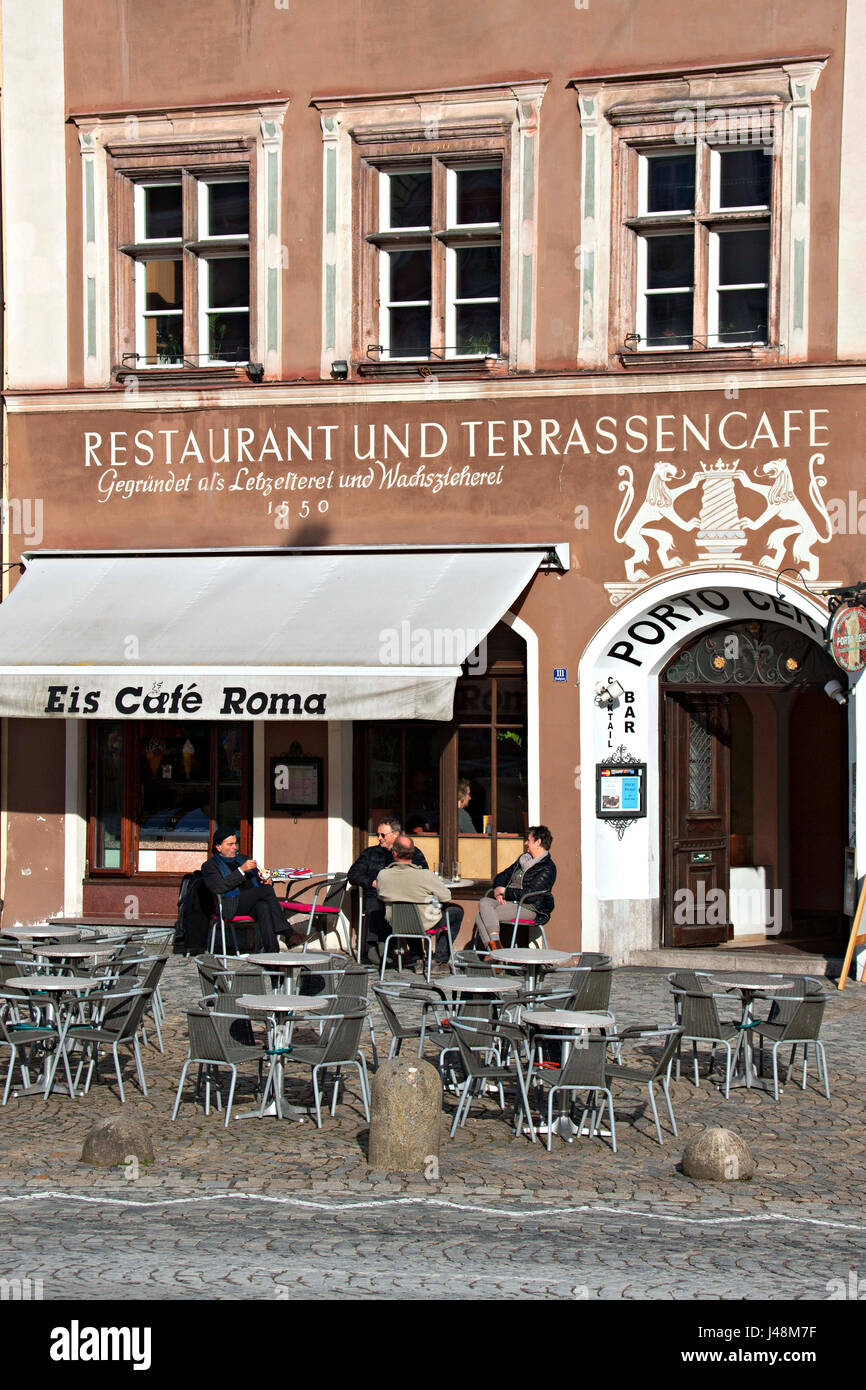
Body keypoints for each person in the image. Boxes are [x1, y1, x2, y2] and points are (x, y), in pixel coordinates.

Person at [201, 826, 299, 953]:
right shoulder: (210, 866)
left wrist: (266, 880)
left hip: (251, 903)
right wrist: (241, 870)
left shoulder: (242, 859)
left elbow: (259, 880)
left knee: (263, 906)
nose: (235, 847)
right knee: (265, 891)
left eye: (236, 843)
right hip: (230, 905)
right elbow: (219, 887)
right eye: (230, 844)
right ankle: (288, 933)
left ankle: (272, 954)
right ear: (218, 847)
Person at [376, 834, 463, 974]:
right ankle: (439, 960)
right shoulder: (424, 875)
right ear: (413, 854)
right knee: (456, 912)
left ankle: (417, 958)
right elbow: (446, 897)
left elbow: (380, 895)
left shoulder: (383, 875)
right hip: (424, 923)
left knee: (409, 915)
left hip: (397, 923)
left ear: (394, 853)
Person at [347, 817, 428, 965]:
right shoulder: (370, 853)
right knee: (377, 905)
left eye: (383, 835)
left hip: (405, 896)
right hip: (376, 894)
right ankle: (376, 947)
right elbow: (353, 874)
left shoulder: (412, 852)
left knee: (408, 909)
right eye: (378, 834)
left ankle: (416, 955)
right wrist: (371, 882)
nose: (379, 838)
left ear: (395, 835)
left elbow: (423, 873)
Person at [474, 825, 556, 950]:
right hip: (510, 902)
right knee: (484, 902)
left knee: (483, 915)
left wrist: (506, 892)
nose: (526, 843)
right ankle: (495, 948)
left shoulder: (547, 867)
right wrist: (498, 891)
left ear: (538, 842)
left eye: (528, 840)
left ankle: (493, 952)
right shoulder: (523, 860)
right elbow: (503, 875)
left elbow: (532, 894)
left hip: (530, 908)